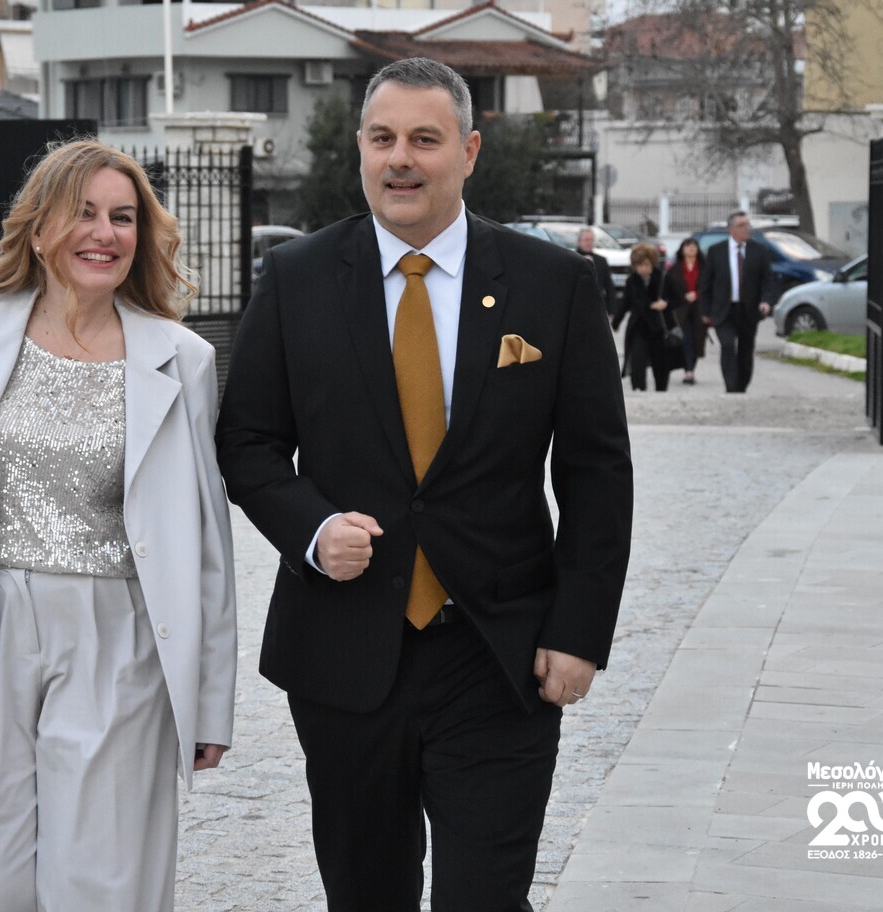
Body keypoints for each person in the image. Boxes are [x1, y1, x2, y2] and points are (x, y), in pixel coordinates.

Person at [216, 57, 633, 912]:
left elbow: (596, 471)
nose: (400, 158)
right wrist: (311, 529)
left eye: (424, 139)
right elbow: (247, 441)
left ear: (469, 151)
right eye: (382, 139)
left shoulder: (551, 283)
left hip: (499, 654)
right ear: (361, 150)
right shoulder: (296, 279)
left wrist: (580, 631)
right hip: (343, 656)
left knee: (486, 897)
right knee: (366, 895)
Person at [0, 139, 237, 912]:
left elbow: (205, 544)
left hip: (118, 642)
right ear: (39, 225)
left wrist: (209, 698)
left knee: (103, 884)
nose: (105, 233)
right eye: (84, 213)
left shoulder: (181, 359)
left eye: (123, 217)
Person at [700, 211, 774, 392]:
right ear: (731, 229)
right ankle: (731, 387)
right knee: (727, 345)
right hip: (724, 310)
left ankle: (741, 385)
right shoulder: (716, 251)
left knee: (745, 350)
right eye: (742, 225)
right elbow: (706, 284)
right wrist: (705, 311)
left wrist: (766, 301)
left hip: (748, 310)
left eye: (748, 225)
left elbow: (767, 281)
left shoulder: (759, 251)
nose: (746, 229)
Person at [621, 243, 678, 392]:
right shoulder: (632, 280)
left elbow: (678, 298)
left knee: (660, 361)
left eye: (646, 264)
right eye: (639, 265)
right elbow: (625, 303)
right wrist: (615, 322)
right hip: (638, 326)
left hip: (659, 327)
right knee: (637, 360)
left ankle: (661, 389)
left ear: (652, 263)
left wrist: (665, 303)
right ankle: (639, 388)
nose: (643, 269)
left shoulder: (663, 278)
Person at [663, 236, 706, 385]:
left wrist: (697, 294)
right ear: (682, 249)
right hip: (681, 310)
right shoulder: (674, 269)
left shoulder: (705, 267)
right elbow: (668, 291)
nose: (691, 248)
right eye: (688, 246)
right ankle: (689, 372)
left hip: (700, 309)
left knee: (697, 339)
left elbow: (710, 286)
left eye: (694, 246)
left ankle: (691, 368)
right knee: (687, 338)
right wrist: (683, 297)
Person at [576, 225, 616, 317]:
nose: (589, 243)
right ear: (579, 241)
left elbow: (609, 286)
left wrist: (612, 310)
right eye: (586, 240)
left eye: (591, 240)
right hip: (577, 306)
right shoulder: (572, 259)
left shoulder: (601, 261)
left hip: (597, 306)